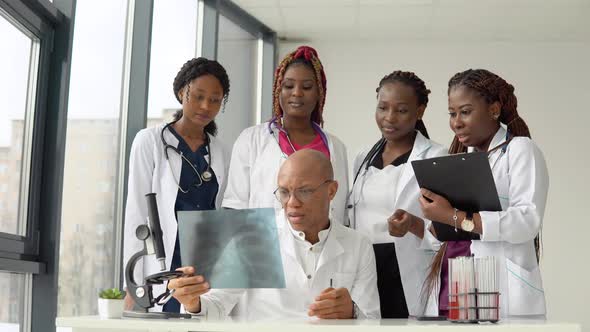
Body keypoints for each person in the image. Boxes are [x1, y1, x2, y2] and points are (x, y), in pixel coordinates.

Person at [168, 150, 381, 320]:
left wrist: (352, 311)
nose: (292, 203)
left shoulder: (358, 245)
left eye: (305, 191)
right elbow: (216, 306)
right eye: (284, 192)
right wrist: (192, 302)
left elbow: (373, 319)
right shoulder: (253, 235)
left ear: (332, 191)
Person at [420, 69, 548, 318]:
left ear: (494, 110)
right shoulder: (457, 159)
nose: (456, 121)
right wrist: (435, 220)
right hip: (453, 277)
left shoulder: (520, 149)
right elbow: (445, 233)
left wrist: (453, 216)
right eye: (452, 113)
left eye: (465, 112)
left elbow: (527, 221)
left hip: (500, 286)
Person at [123, 58, 231, 313]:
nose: (206, 106)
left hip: (204, 270)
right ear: (182, 92)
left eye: (215, 100)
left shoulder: (220, 151)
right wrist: (133, 283)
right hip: (161, 264)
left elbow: (223, 216)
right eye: (198, 96)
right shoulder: (149, 141)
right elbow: (136, 214)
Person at [348, 71, 446, 318]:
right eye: (382, 107)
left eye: (401, 110)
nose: (389, 118)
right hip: (365, 266)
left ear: (420, 110)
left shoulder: (436, 157)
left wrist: (413, 224)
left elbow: (446, 231)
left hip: (404, 270)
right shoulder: (363, 157)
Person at [222, 46, 349, 225]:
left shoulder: (335, 147)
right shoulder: (251, 140)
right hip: (265, 248)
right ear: (277, 91)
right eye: (288, 86)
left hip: (322, 248)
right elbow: (234, 206)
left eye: (307, 87)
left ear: (319, 93)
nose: (297, 93)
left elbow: (340, 213)